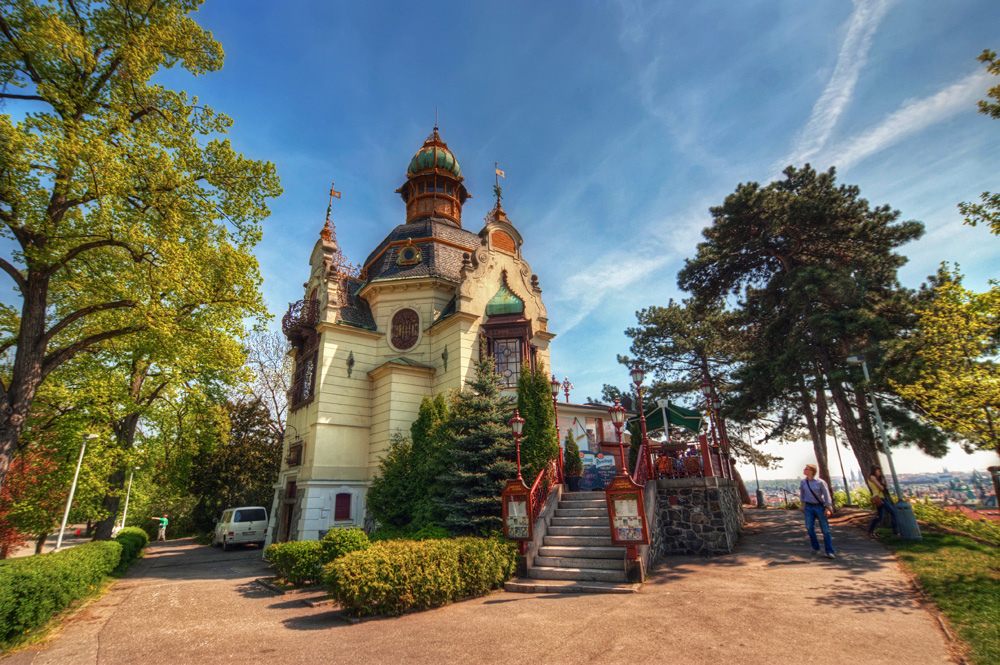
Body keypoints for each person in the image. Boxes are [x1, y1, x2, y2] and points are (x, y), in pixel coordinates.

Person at [799, 464, 835, 559]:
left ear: (811, 471)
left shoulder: (820, 482)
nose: (804, 470)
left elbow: (827, 496)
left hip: (819, 507)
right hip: (808, 507)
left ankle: (829, 551)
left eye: (806, 469)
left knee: (825, 530)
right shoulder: (803, 482)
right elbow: (802, 495)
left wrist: (828, 508)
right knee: (809, 527)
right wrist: (803, 505)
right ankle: (816, 547)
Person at [867, 466, 899, 537]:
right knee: (893, 513)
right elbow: (881, 488)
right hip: (880, 498)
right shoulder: (873, 477)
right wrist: (883, 485)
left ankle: (870, 531)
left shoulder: (871, 477)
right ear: (875, 471)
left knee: (880, 516)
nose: (879, 472)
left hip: (877, 497)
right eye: (878, 471)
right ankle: (895, 533)